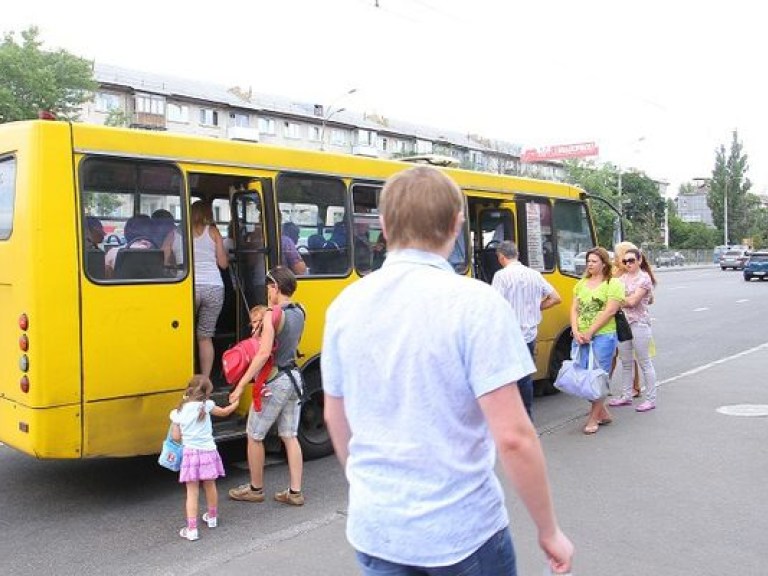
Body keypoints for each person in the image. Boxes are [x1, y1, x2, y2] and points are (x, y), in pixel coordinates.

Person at [321, 166, 573, 575]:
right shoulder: (476, 304)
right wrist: (549, 531)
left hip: (378, 531)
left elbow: (336, 415)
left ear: (383, 226)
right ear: (457, 225)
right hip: (462, 533)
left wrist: (375, 490)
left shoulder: (344, 307)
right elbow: (513, 437)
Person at [229, 266, 307, 507]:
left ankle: (255, 488)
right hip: (295, 377)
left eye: (268, 288)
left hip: (276, 381)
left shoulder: (272, 314)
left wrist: (241, 385)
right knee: (290, 436)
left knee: (254, 435)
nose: (267, 293)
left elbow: (263, 354)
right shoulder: (301, 310)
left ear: (276, 287)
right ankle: (295, 492)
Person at [492, 240, 562, 420]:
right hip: (529, 335)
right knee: (525, 377)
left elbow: (495, 305)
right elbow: (555, 298)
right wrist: (536, 307)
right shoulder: (534, 275)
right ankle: (526, 417)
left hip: (508, 334)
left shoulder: (501, 276)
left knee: (507, 378)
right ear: (517, 254)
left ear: (501, 257)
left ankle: (511, 419)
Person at [170, 375, 239, 541]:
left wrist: (178, 425)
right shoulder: (207, 405)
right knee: (210, 485)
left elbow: (176, 437)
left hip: (191, 454)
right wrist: (236, 402)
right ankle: (212, 517)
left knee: (192, 491)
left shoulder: (178, 412)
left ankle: (192, 529)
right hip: (208, 452)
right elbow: (225, 412)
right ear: (207, 393)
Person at [571, 246, 624, 435]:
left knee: (598, 377)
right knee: (583, 377)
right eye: (588, 261)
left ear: (603, 263)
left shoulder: (613, 283)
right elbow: (575, 308)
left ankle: (593, 418)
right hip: (581, 336)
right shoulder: (581, 283)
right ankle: (602, 412)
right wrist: (576, 330)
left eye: (594, 261)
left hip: (603, 336)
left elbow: (610, 311)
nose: (590, 265)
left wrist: (591, 331)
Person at [609, 247, 659, 412]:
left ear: (639, 260)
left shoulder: (644, 279)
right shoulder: (621, 278)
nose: (628, 263)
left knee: (644, 361)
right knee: (626, 362)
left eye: (631, 260)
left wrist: (617, 300)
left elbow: (633, 301)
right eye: (625, 261)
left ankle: (651, 398)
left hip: (639, 323)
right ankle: (626, 395)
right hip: (623, 323)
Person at [191, 200, 229, 378]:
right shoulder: (213, 232)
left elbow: (167, 259)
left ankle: (187, 373)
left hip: (189, 288)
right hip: (214, 287)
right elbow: (223, 263)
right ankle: (205, 379)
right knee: (205, 336)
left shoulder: (179, 232)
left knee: (186, 332)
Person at [612, 241, 644, 398]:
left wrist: (619, 299)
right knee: (613, 353)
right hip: (613, 317)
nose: (616, 259)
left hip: (629, 320)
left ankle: (635, 387)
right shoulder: (613, 272)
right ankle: (604, 385)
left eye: (618, 255)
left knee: (628, 355)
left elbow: (648, 298)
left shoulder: (636, 274)